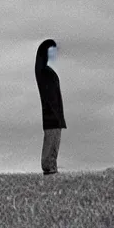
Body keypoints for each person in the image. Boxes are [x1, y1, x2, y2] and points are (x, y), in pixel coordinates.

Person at [34, 39, 65, 175]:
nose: (54, 54)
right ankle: (49, 167)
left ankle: (52, 167)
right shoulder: (42, 71)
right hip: (50, 115)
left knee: (55, 143)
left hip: (56, 115)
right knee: (51, 143)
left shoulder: (48, 71)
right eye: (51, 51)